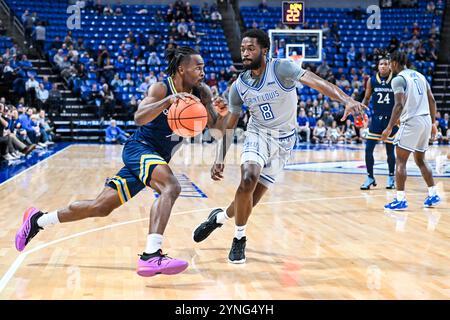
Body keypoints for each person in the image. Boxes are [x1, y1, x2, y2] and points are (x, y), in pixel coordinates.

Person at [14, 47, 229, 277]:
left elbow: (215, 129)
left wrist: (222, 115)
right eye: (198, 67)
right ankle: (151, 256)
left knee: (101, 207)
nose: (203, 72)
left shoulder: (202, 92)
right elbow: (139, 117)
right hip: (140, 149)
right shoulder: (161, 88)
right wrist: (167, 101)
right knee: (171, 186)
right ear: (181, 68)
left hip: (157, 157)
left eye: (203, 67)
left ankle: (39, 220)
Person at [192, 29, 365, 263]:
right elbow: (230, 125)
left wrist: (347, 99)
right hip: (258, 135)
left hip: (285, 142)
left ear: (265, 50)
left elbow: (317, 82)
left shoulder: (282, 68)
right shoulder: (238, 86)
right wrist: (220, 157)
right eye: (243, 49)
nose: (245, 53)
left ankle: (219, 218)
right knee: (247, 180)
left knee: (249, 200)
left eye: (250, 48)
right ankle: (239, 239)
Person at [381, 51, 441, 210]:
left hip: (412, 121)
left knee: (400, 161)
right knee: (421, 160)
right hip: (426, 120)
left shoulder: (398, 79)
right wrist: (434, 123)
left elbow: (398, 105)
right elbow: (432, 100)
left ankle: (400, 199)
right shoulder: (420, 76)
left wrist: (389, 127)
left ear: (394, 63)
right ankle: (433, 194)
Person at [360, 55, 397, 190]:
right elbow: (367, 97)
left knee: (390, 151)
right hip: (376, 120)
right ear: (378, 66)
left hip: (391, 120)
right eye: (381, 64)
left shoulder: (395, 79)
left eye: (385, 64)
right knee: (368, 149)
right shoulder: (372, 80)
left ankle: (391, 177)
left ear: (390, 66)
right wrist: (362, 110)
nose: (383, 66)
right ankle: (370, 177)